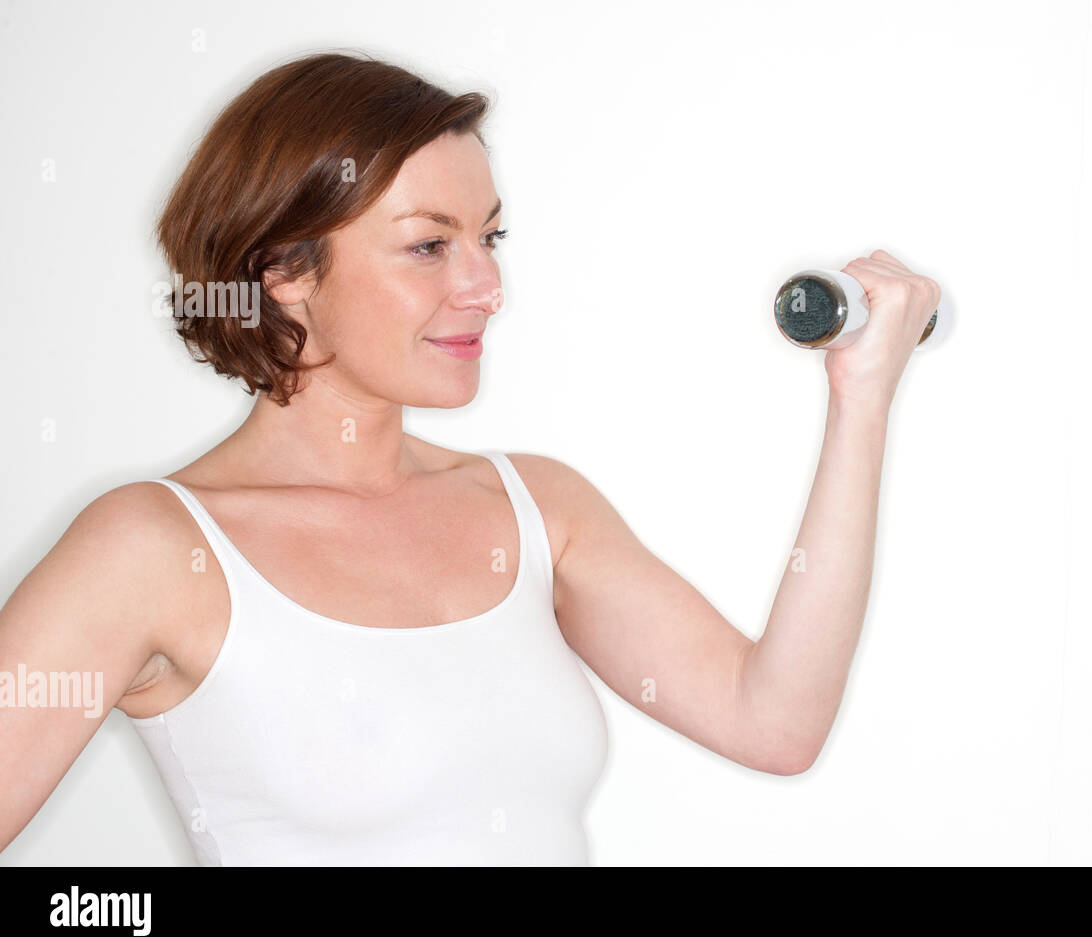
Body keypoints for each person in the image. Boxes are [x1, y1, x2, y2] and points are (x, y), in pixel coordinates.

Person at [0, 51, 940, 865]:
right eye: (428, 246)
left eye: (489, 237)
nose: (488, 287)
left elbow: (773, 722)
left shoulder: (537, 507)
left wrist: (861, 401)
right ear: (281, 273)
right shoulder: (151, 549)